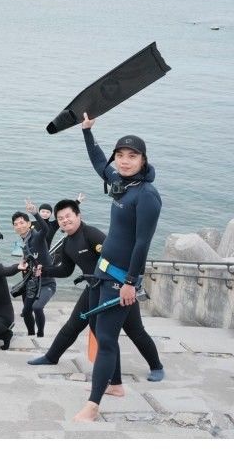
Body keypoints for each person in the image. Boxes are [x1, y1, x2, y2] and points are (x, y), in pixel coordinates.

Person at [73, 114, 162, 422]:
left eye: (132, 156)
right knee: (98, 327)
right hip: (103, 270)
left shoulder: (147, 196)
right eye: (121, 155)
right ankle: (117, 384)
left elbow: (142, 244)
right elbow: (100, 164)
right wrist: (87, 132)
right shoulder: (120, 183)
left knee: (108, 338)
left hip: (121, 277)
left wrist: (130, 283)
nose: (124, 161)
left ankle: (93, 406)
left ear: (143, 159)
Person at [27, 199, 164, 384]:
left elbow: (118, 256)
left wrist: (129, 284)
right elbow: (66, 270)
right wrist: (44, 270)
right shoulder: (68, 243)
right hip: (93, 287)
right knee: (74, 324)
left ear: (78, 216)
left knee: (134, 330)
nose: (65, 220)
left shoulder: (90, 234)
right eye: (60, 218)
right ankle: (51, 357)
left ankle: (156, 367)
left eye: (68, 216)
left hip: (117, 288)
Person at [12, 204, 56, 337]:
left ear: (29, 223)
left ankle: (40, 335)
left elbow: (45, 228)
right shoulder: (24, 241)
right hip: (33, 284)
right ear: (14, 228)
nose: (19, 226)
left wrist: (35, 213)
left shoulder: (37, 236)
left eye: (22, 222)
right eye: (16, 224)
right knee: (25, 312)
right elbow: (29, 255)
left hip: (47, 283)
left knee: (37, 308)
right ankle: (30, 334)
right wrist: (23, 261)